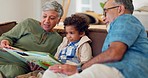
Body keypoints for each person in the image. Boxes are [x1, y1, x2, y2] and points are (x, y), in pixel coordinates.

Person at [42, 0, 148, 78]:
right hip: (111, 70)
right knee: (53, 72)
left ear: (119, 9)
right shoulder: (118, 26)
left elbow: (114, 54)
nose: (103, 18)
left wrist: (79, 68)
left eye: (105, 12)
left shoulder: (125, 19)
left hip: (126, 71)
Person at [0, 0, 63, 78]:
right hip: (4, 55)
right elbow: (7, 36)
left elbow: (51, 62)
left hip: (21, 66)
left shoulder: (57, 40)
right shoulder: (28, 23)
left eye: (52, 18)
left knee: (14, 72)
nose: (46, 21)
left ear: (58, 20)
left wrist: (39, 67)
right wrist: (5, 41)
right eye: (44, 16)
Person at [17, 14, 93, 78]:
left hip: (70, 71)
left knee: (50, 74)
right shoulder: (65, 43)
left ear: (81, 33)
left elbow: (85, 64)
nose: (68, 36)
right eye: (66, 33)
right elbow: (56, 57)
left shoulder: (84, 45)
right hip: (58, 67)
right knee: (41, 72)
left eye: (71, 33)